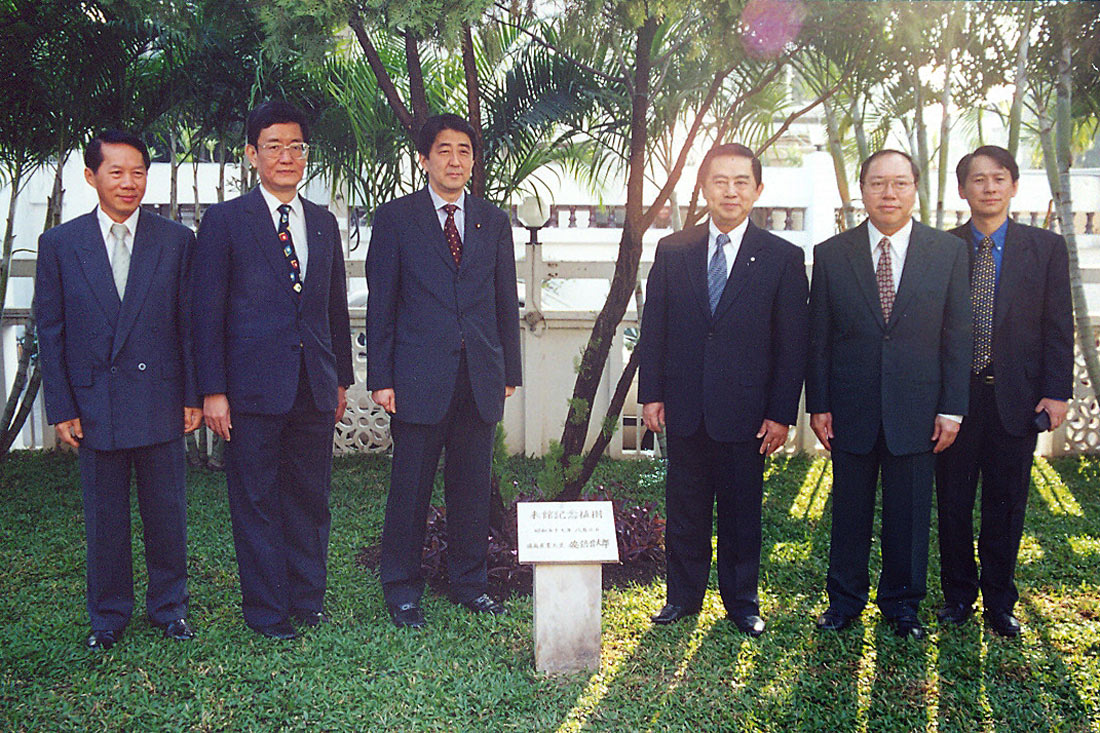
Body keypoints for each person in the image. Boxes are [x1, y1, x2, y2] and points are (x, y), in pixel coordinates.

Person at [192, 101, 354, 640]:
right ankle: (267, 610)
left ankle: (308, 600)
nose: (286, 156)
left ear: (306, 154)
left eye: (296, 146)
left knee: (311, 498)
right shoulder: (223, 222)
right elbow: (206, 312)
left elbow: (334, 308)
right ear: (251, 154)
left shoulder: (324, 222)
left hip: (313, 386)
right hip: (250, 390)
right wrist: (213, 391)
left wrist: (340, 380)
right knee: (256, 501)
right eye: (273, 146)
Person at [35, 130, 201, 650]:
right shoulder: (60, 244)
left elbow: (188, 326)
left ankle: (170, 608)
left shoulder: (175, 240)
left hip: (161, 398)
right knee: (104, 518)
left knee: (166, 513)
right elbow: (51, 330)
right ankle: (107, 616)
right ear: (91, 177)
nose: (129, 183)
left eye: (138, 172)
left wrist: (193, 395)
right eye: (117, 172)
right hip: (94, 403)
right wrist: (61, 406)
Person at [637, 143, 809, 636]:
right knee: (685, 508)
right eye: (719, 181)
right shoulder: (674, 249)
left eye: (740, 182)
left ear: (757, 190)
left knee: (741, 512)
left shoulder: (781, 258)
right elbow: (656, 328)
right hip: (686, 407)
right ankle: (683, 598)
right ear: (704, 187)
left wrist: (780, 414)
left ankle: (742, 602)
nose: (730, 191)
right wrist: (653, 393)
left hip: (747, 412)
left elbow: (791, 344)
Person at [807, 149, 972, 639]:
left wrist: (952, 409)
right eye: (878, 184)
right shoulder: (833, 253)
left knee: (910, 512)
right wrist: (819, 404)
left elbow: (957, 336)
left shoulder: (946, 252)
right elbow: (819, 338)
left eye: (900, 183)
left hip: (919, 410)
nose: (889, 194)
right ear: (862, 190)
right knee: (849, 511)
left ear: (915, 189)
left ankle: (902, 606)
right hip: (850, 407)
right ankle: (844, 602)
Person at [367, 113, 522, 628]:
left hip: (479, 376)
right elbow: (382, 305)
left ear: (473, 161)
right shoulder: (395, 220)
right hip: (416, 377)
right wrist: (381, 377)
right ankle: (402, 588)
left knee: (472, 486)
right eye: (444, 150)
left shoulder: (493, 221)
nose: (455, 160)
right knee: (410, 486)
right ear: (424, 158)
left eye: (464, 151)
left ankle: (469, 583)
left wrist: (509, 370)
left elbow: (504, 303)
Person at [935, 145, 1073, 637]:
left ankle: (999, 600)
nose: (989, 188)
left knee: (1006, 502)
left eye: (998, 179)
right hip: (955, 399)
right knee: (951, 501)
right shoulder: (943, 247)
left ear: (1014, 186)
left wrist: (1057, 393)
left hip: (1015, 399)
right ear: (962, 189)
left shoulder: (1046, 248)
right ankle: (957, 596)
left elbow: (1059, 325)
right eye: (978, 180)